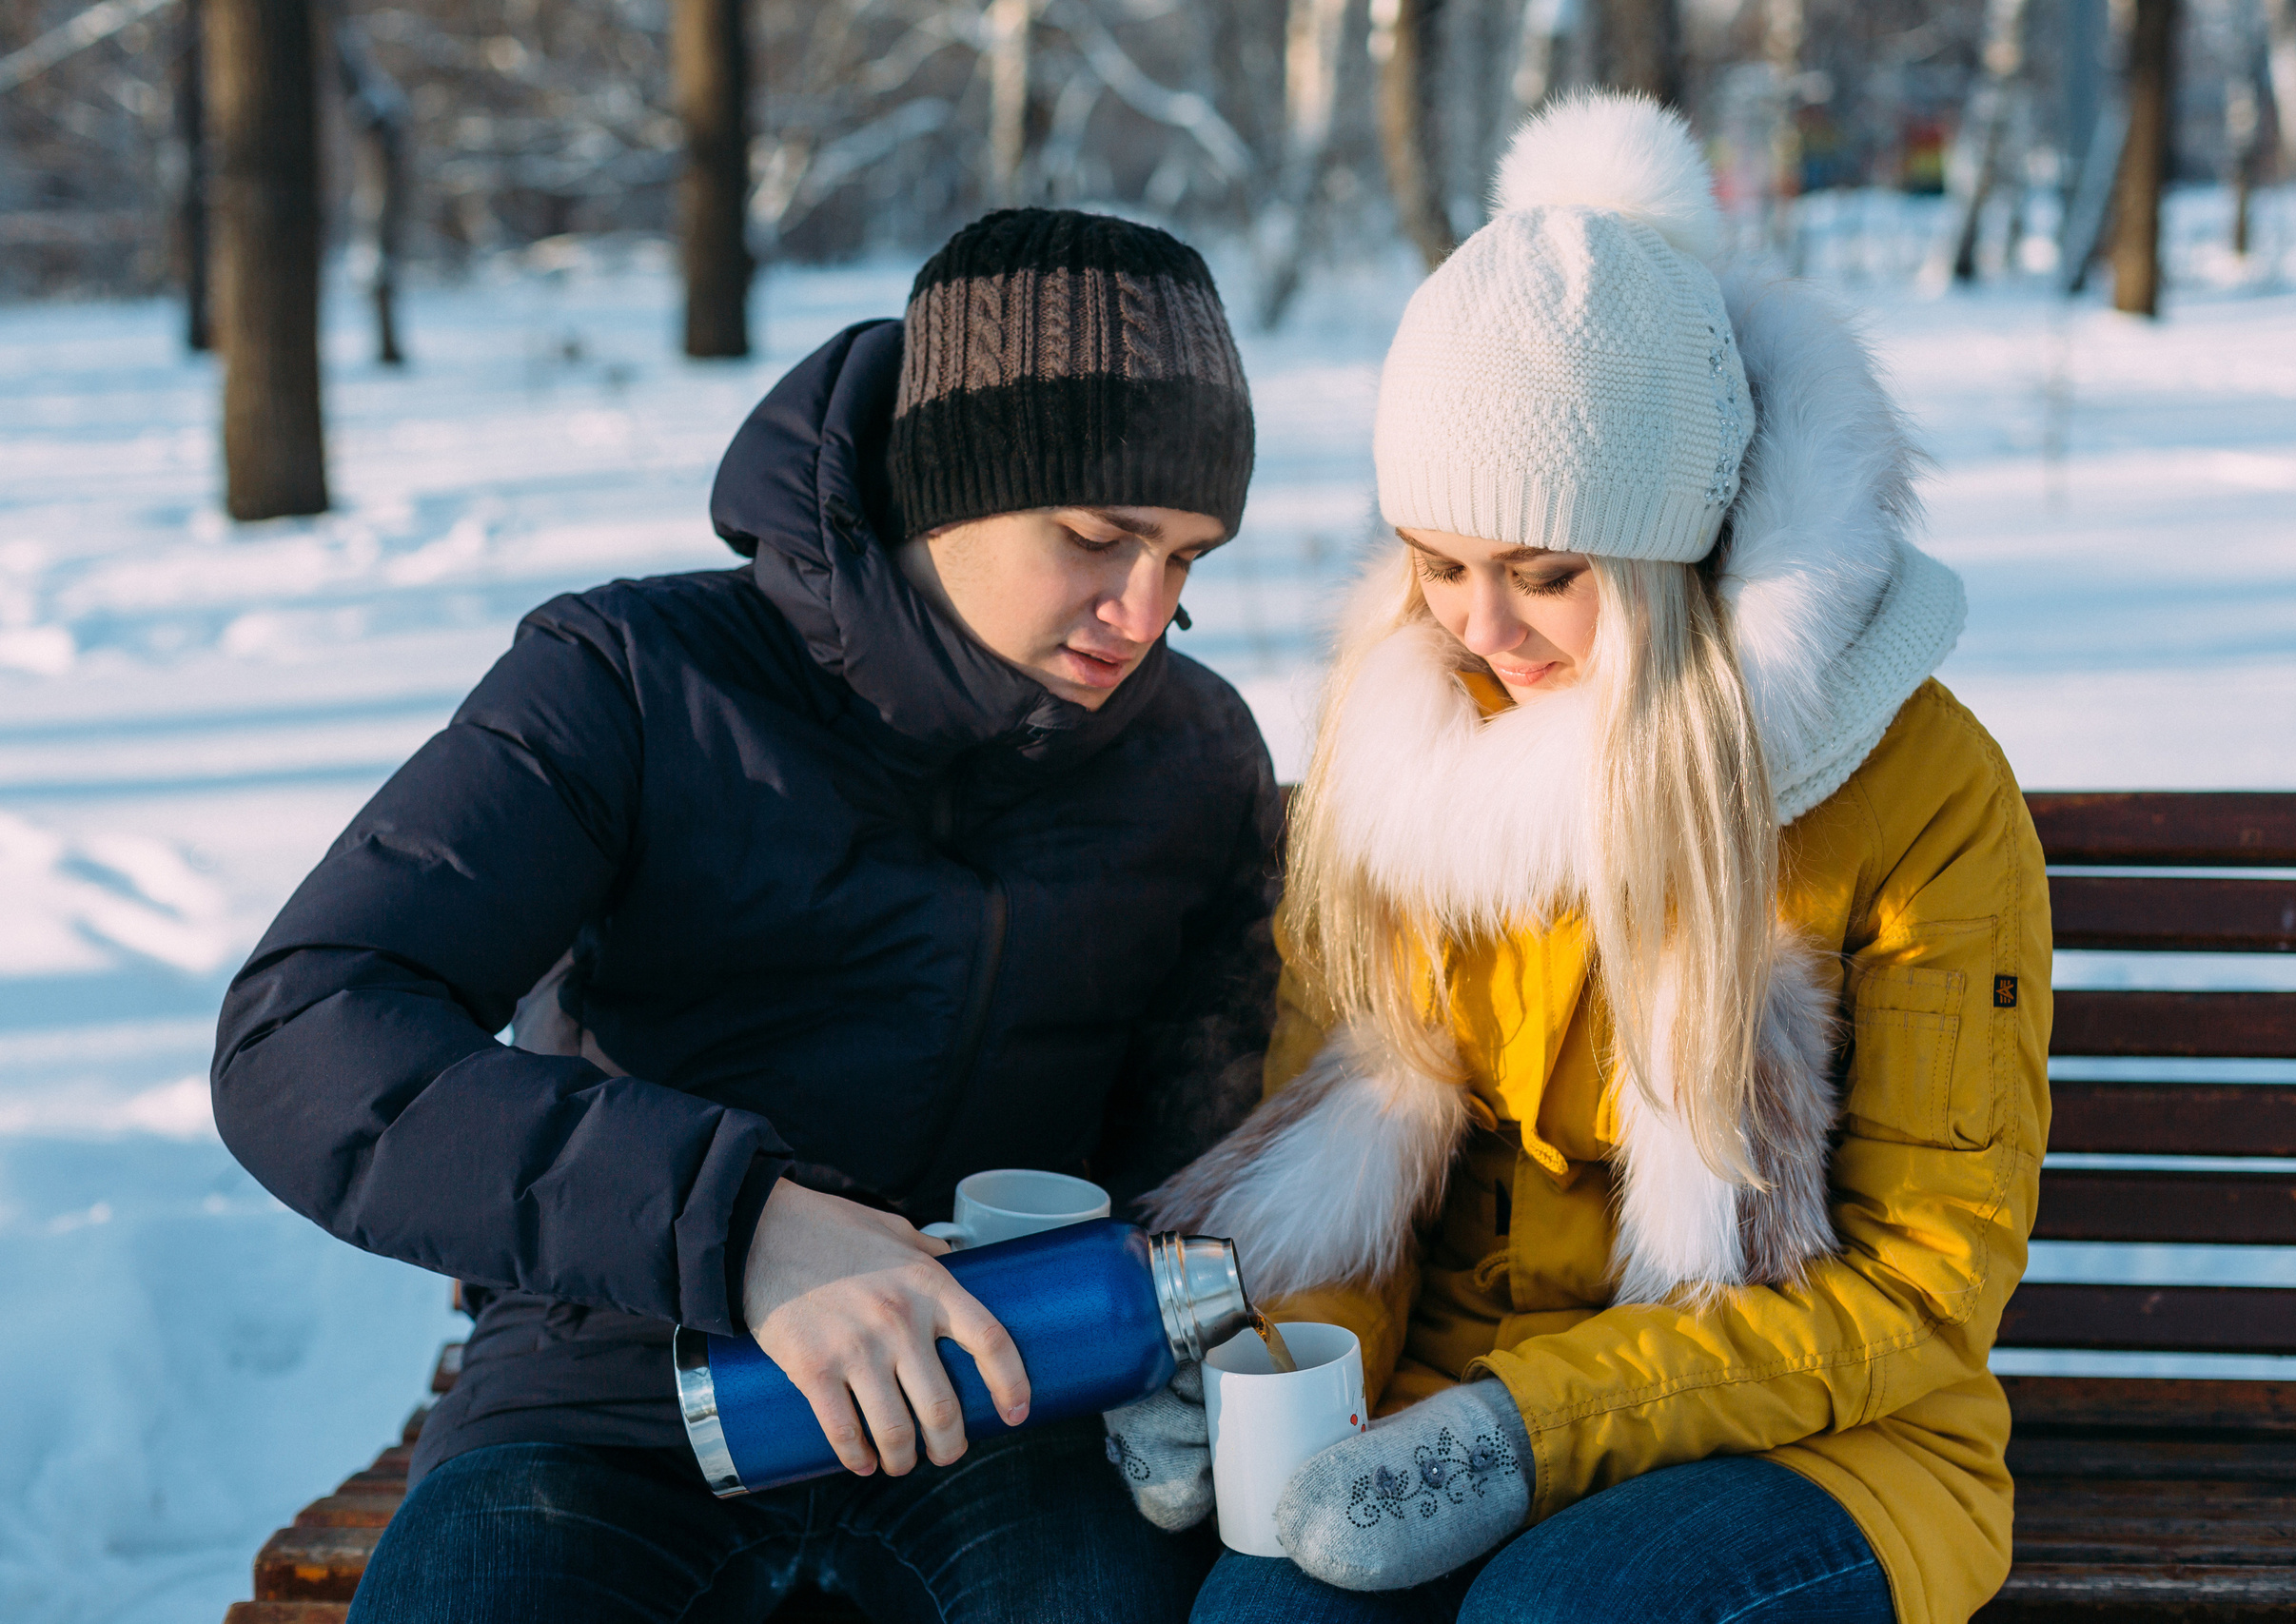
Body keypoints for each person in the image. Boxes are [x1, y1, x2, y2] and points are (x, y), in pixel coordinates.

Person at [210, 208, 1283, 1624]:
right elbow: (303, 1033)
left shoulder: (1186, 756)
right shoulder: (637, 681)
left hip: (1002, 1412)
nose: (1144, 610)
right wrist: (741, 1226)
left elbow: (1197, 1149)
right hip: (612, 1398)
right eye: (1096, 535)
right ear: (946, 483)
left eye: (1190, 558)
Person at [1105, 93, 2051, 1624]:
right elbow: (1334, 1176)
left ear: (1674, 546)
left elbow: (1917, 1293)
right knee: (1259, 1615)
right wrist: (1271, 1369)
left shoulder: (1916, 786)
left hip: (1823, 1437)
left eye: (1549, 573)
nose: (1479, 630)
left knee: (1565, 1610)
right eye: (1440, 563)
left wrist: (1522, 1435)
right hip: (1427, 1416)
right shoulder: (1409, 746)